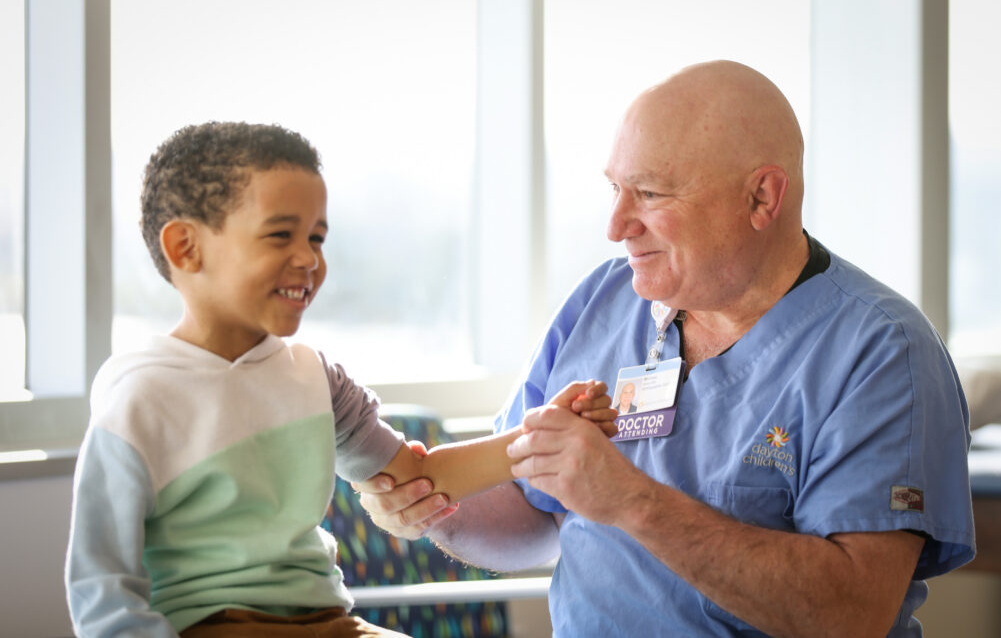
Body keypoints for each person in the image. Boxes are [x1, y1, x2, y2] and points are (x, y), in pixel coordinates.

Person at [353, 61, 976, 637]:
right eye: (615, 190)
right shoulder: (604, 300)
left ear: (762, 198)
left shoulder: (881, 353)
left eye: (649, 194)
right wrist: (435, 510)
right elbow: (533, 517)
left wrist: (630, 499)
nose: (616, 225)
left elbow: (852, 614)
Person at [64, 121, 617, 638]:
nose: (308, 259)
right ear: (186, 247)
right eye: (281, 235)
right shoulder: (139, 395)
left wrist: (545, 434)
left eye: (318, 238)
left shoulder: (315, 377)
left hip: (330, 623)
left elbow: (416, 477)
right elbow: (102, 587)